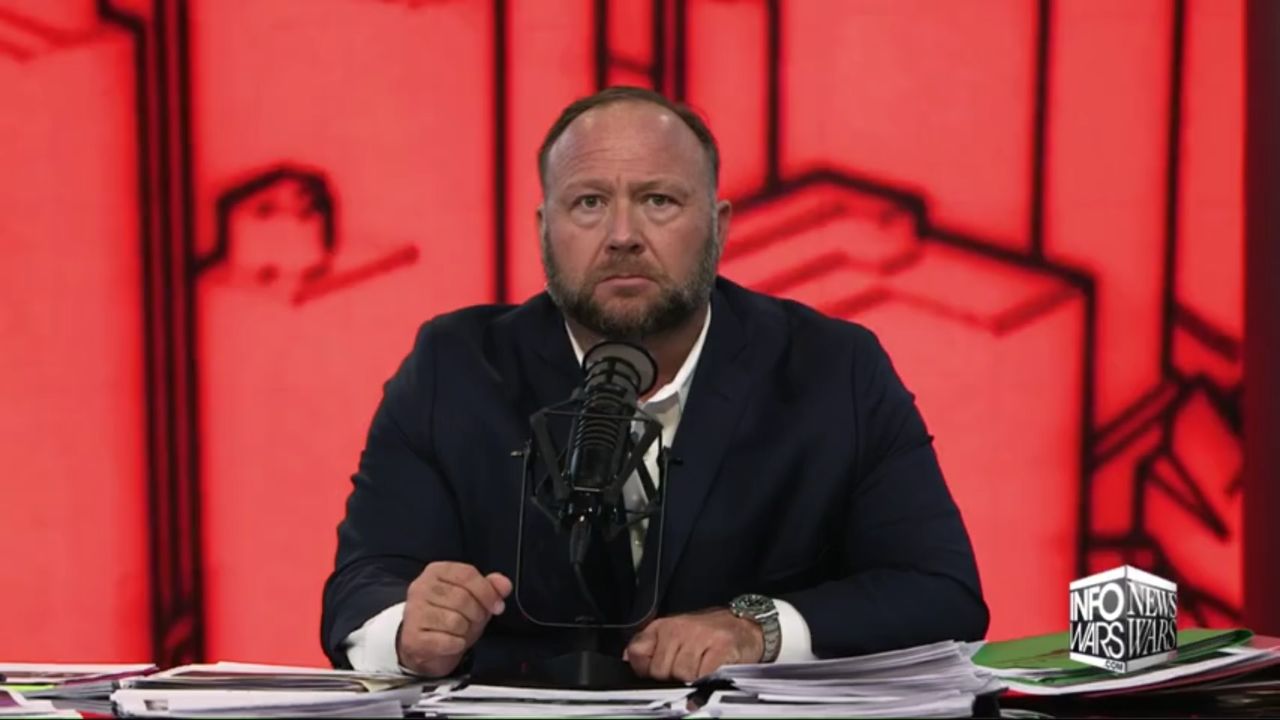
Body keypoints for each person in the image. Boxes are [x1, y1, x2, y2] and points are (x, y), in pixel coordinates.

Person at [320, 86, 988, 683]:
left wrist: (757, 629)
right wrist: (408, 632)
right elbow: (361, 587)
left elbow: (941, 594)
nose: (622, 236)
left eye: (658, 200)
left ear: (719, 227)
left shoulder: (832, 369)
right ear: (544, 230)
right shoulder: (456, 366)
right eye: (589, 202)